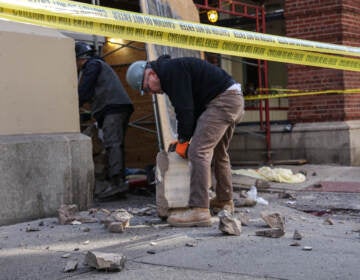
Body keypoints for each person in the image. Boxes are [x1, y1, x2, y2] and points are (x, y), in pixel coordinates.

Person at [126, 55, 244, 227]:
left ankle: (199, 210)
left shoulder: (170, 72)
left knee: (198, 152)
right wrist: (185, 138)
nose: (153, 93)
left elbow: (185, 110)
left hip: (222, 101)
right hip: (232, 98)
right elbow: (193, 108)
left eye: (147, 88)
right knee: (219, 153)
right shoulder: (172, 70)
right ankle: (224, 201)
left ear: (151, 74)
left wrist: (183, 140)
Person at [75, 41, 134, 199]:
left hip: (113, 108)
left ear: (80, 58)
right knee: (116, 144)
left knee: (112, 143)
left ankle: (116, 183)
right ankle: (118, 182)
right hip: (119, 106)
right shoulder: (99, 64)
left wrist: (73, 104)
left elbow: (85, 90)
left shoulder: (92, 65)